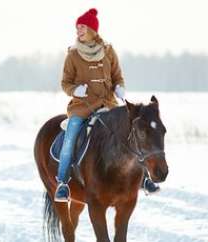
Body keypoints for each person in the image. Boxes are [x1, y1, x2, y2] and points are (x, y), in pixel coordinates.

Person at [55, 8, 159, 202]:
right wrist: (74, 90)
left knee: (132, 133)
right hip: (82, 107)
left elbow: (117, 76)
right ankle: (62, 184)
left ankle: (144, 178)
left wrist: (119, 87)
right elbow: (65, 83)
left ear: (93, 30)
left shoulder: (108, 51)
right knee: (70, 137)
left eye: (82, 27)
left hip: (108, 104)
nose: (78, 30)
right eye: (77, 27)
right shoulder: (73, 55)